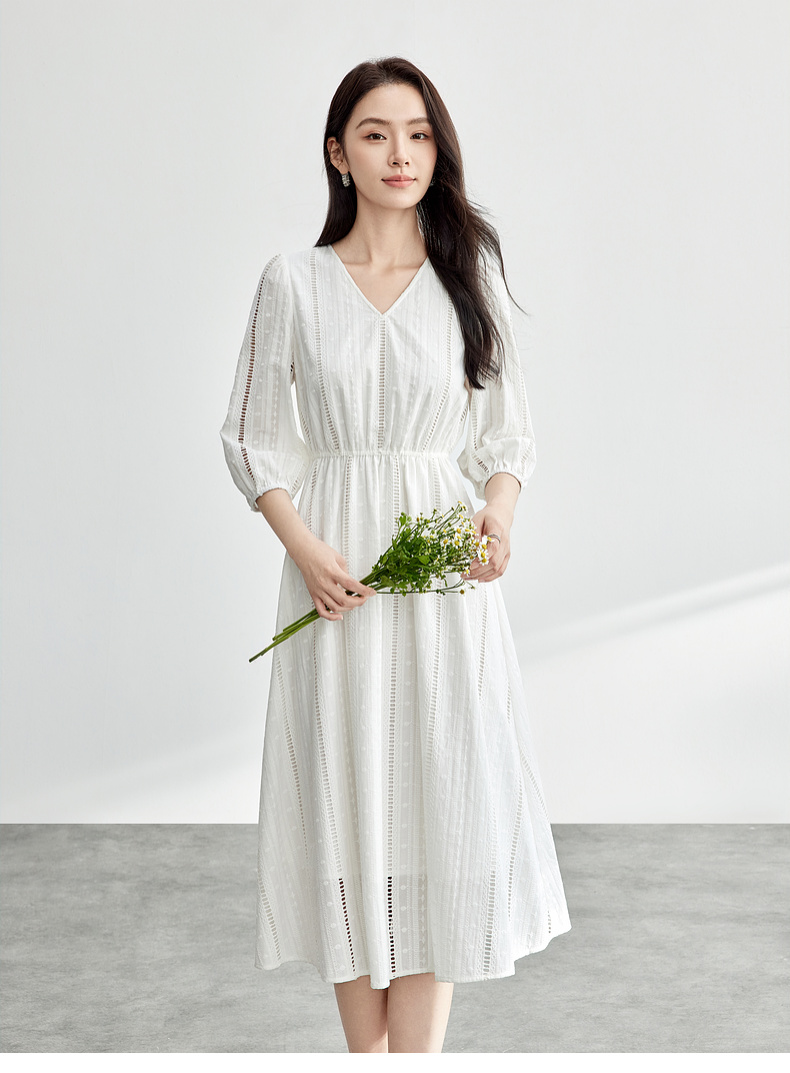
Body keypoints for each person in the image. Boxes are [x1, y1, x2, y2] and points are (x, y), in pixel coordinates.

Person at [219, 56, 571, 1054]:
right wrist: (304, 548)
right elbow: (250, 437)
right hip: (334, 570)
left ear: (437, 150)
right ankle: (364, 1054)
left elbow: (506, 438)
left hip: (440, 571)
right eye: (376, 134)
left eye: (417, 133)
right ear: (339, 154)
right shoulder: (293, 281)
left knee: (436, 797)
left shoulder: (468, 278)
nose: (400, 153)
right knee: (347, 798)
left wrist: (496, 516)